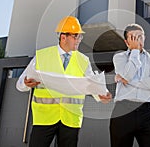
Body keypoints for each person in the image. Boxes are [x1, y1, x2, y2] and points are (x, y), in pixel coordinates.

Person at [16, 16, 112, 147]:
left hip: (71, 119)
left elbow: (91, 84)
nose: (79, 40)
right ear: (63, 37)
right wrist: (26, 84)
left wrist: (102, 95)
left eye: (80, 37)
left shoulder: (83, 60)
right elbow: (20, 84)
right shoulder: (41, 56)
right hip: (44, 119)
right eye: (76, 36)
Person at [110, 23, 150, 147]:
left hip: (147, 112)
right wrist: (134, 51)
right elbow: (127, 75)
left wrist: (130, 82)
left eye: (140, 36)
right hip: (123, 111)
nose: (137, 40)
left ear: (144, 38)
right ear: (126, 41)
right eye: (133, 37)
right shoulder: (119, 58)